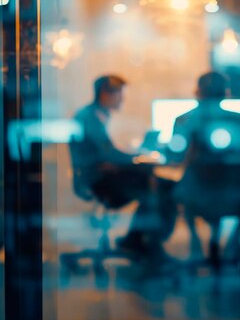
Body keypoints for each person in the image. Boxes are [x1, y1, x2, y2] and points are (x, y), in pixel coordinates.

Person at [70, 75, 176, 258]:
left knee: (159, 185)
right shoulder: (90, 117)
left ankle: (136, 240)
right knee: (163, 188)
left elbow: (106, 151)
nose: (123, 99)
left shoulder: (96, 115)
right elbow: (106, 154)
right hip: (99, 180)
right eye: (120, 94)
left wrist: (132, 155)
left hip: (102, 175)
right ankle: (142, 243)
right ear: (105, 93)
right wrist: (137, 157)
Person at [169, 72, 240, 262]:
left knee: (176, 188)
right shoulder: (237, 119)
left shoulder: (184, 119)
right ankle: (233, 243)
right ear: (226, 93)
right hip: (234, 192)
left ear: (198, 91)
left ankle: (195, 242)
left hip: (197, 194)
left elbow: (175, 156)